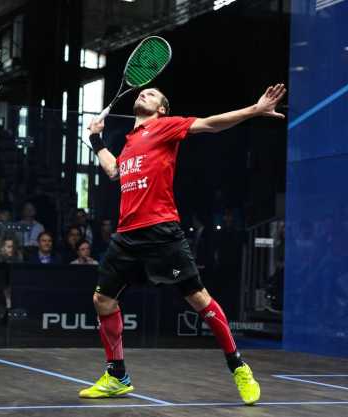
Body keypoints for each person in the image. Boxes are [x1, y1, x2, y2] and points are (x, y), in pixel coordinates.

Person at [78, 84, 286, 405]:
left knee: (199, 299)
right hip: (127, 236)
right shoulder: (130, 141)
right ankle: (117, 376)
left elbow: (211, 124)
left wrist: (255, 110)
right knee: (102, 300)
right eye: (143, 92)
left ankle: (238, 366)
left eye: (152, 94)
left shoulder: (166, 127)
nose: (144, 94)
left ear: (162, 109)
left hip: (162, 232)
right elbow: (114, 170)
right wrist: (95, 139)